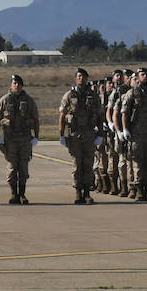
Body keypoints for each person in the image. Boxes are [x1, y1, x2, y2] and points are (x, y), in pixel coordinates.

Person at [58, 67, 104, 203]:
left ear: (87, 78)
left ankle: (87, 192)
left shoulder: (93, 96)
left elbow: (100, 116)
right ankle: (78, 192)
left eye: (83, 76)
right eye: (78, 76)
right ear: (75, 78)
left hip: (89, 134)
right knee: (77, 165)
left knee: (88, 164)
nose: (81, 78)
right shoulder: (69, 95)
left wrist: (100, 134)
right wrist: (61, 134)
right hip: (74, 135)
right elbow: (62, 115)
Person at [120, 67, 147, 201]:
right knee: (138, 162)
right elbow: (124, 112)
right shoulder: (131, 93)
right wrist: (125, 129)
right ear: (138, 78)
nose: (144, 77)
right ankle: (139, 189)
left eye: (146, 75)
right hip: (136, 132)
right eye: (141, 75)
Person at [0, 74, 40, 203]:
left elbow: (36, 119)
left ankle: (22, 194)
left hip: (25, 139)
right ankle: (14, 193)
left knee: (23, 168)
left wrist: (36, 137)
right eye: (14, 83)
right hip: (10, 140)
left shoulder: (29, 101)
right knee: (13, 167)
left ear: (22, 86)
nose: (16, 86)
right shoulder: (4, 100)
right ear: (11, 85)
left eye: (19, 84)